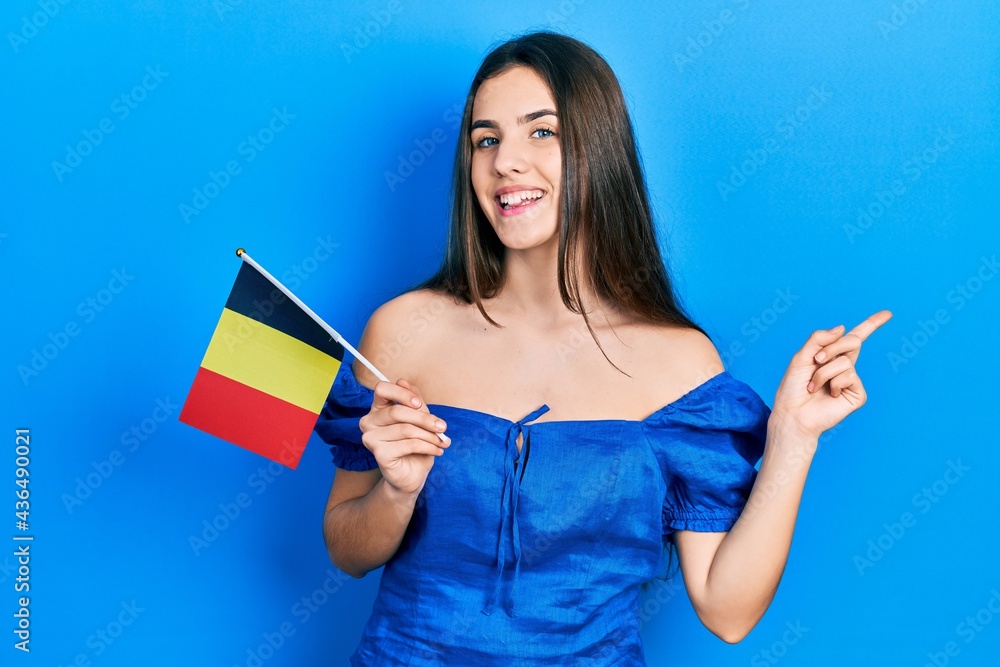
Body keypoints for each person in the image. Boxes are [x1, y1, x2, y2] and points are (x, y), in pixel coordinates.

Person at [317, 30, 891, 665]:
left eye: (542, 132)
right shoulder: (401, 330)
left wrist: (792, 439)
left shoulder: (680, 362)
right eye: (487, 139)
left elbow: (727, 613)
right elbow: (345, 550)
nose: (506, 161)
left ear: (599, 150)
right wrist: (395, 492)